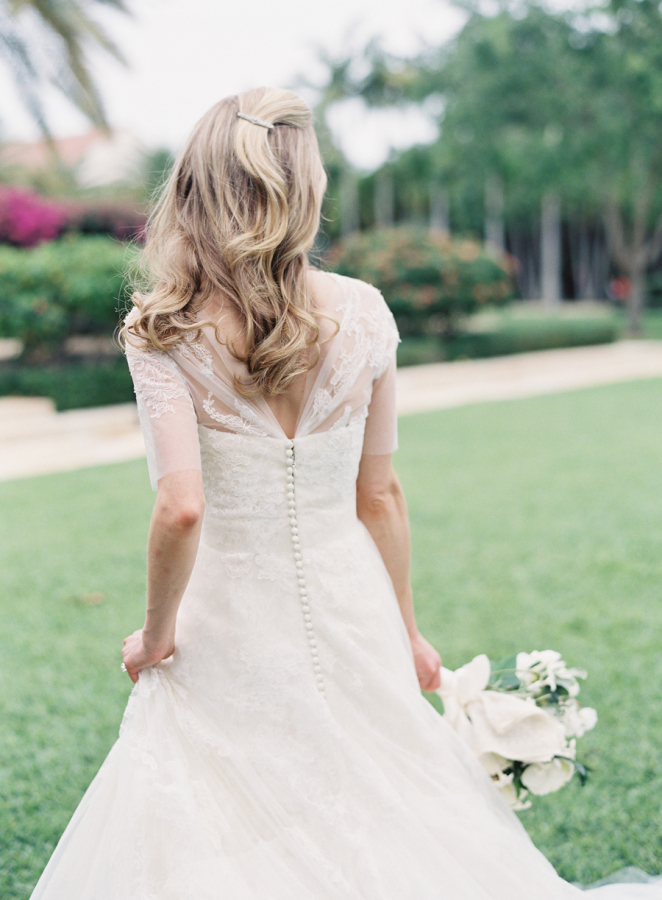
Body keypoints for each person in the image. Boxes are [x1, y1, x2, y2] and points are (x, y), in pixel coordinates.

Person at [30, 87, 661, 899]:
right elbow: (382, 494)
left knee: (225, 815)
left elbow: (181, 507)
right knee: (384, 794)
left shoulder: (165, 327)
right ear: (306, 193)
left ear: (193, 192)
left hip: (227, 617)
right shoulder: (364, 312)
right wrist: (406, 630)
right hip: (351, 600)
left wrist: (156, 637)